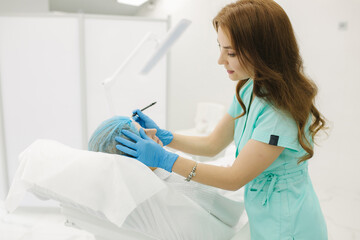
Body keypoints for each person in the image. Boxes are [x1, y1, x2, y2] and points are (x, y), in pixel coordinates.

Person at [115, 0, 328, 239]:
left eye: (231, 53)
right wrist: (166, 136)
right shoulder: (250, 88)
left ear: (263, 51)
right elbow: (212, 144)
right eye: (220, 48)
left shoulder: (279, 112)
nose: (220, 60)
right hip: (265, 213)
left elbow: (233, 178)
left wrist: (165, 160)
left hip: (288, 224)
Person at [88, 116, 246, 240]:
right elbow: (235, 192)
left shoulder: (126, 188)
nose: (153, 131)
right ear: (130, 154)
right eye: (143, 134)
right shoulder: (181, 185)